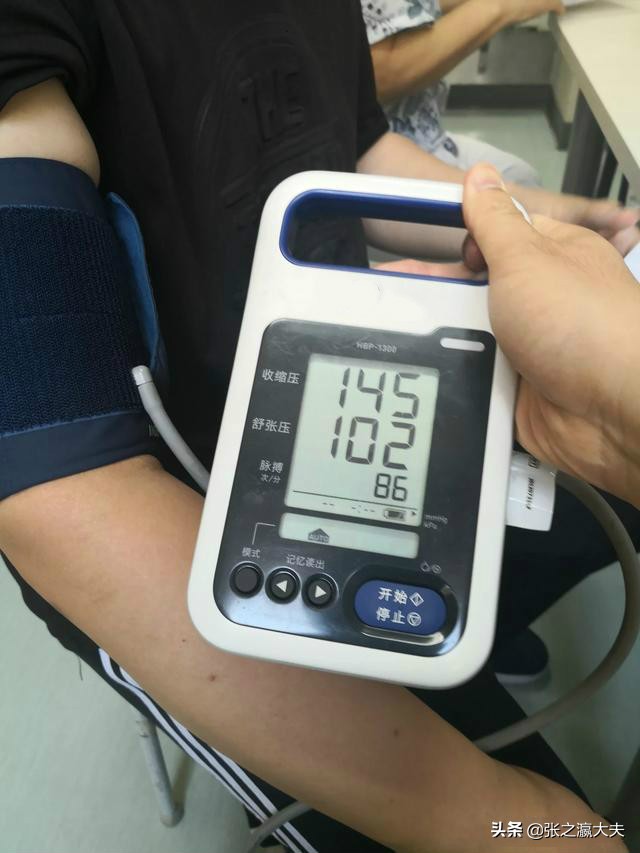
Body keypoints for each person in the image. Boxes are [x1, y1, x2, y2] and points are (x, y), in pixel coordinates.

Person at [0, 3, 638, 851]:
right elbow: (54, 477)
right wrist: (510, 817)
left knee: (616, 509)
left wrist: (560, 228)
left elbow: (356, 152)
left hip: (365, 405)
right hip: (178, 520)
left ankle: (473, 636)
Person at [361, 0, 564, 185]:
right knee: (525, 196)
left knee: (524, 178)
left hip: (419, 133)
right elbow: (380, 77)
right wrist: (498, 8)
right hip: (374, 149)